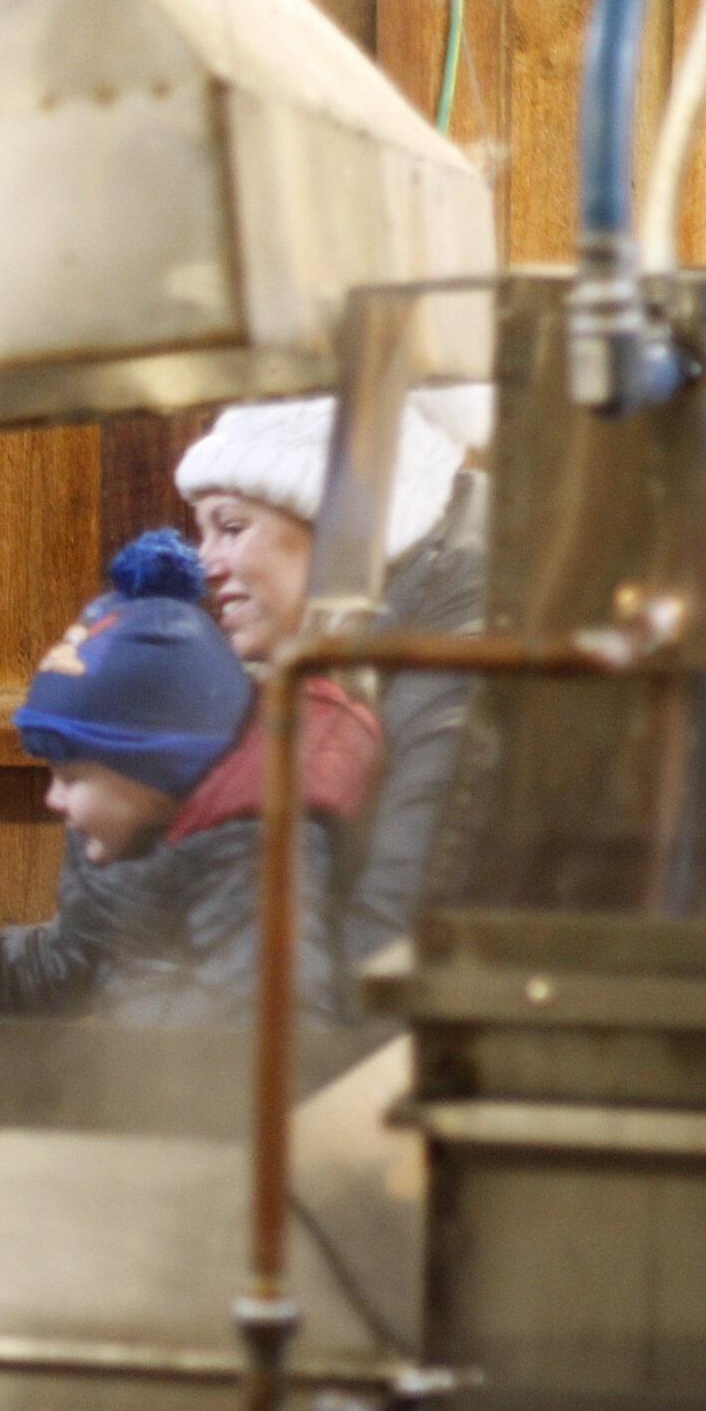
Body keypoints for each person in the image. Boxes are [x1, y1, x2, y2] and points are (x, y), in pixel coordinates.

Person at [0, 534, 379, 1063]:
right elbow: (69, 959)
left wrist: (123, 1051)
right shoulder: (131, 842)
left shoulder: (252, 859)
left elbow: (275, 1045)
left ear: (156, 773)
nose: (54, 800)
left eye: (74, 777)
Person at [178, 390, 488, 974]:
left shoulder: (462, 669)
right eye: (203, 531)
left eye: (232, 526)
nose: (205, 562)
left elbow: (389, 953)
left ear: (344, 530)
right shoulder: (316, 658)